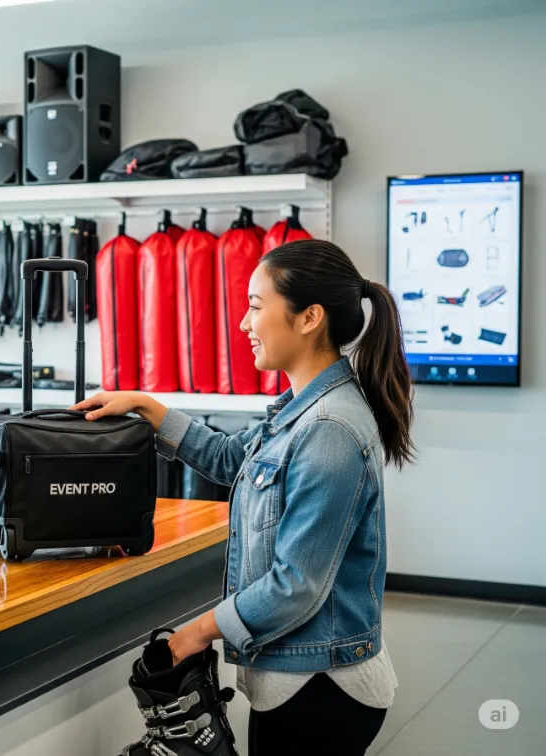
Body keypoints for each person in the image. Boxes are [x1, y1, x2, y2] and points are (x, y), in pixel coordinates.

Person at [74, 240, 411, 756]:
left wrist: (198, 631)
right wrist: (148, 407)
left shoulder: (329, 428)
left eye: (256, 306)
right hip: (296, 678)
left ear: (309, 318)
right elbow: (234, 460)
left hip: (321, 689)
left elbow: (296, 586)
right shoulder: (301, 406)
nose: (243, 324)